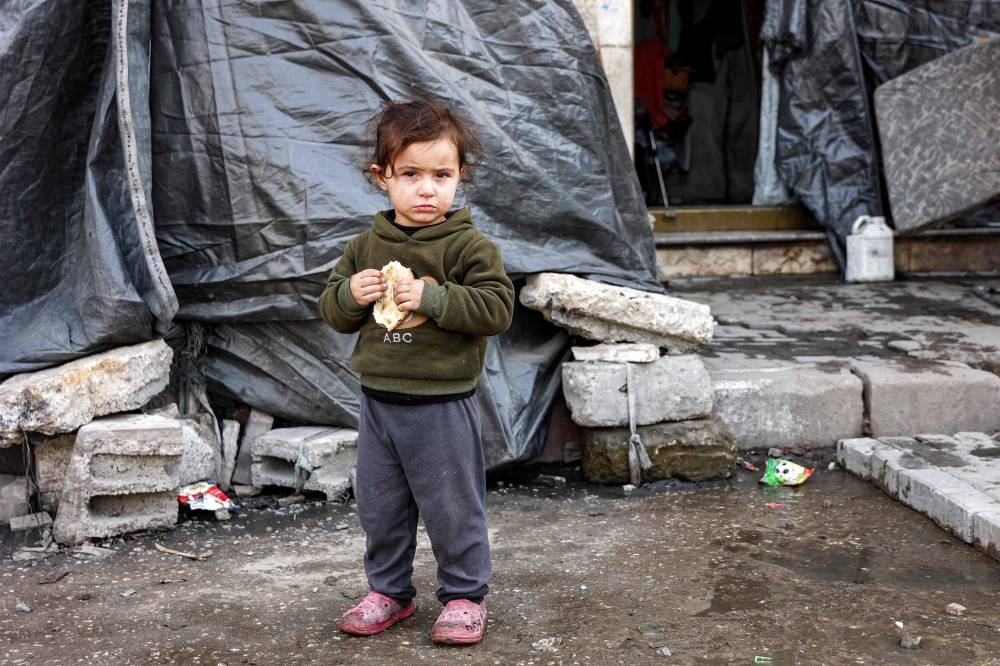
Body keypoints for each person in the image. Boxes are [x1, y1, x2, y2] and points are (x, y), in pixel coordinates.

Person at [317, 99, 514, 645]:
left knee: (453, 508)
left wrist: (434, 297)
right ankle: (389, 592)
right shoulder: (366, 246)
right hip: (379, 401)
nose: (427, 189)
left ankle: (464, 597)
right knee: (380, 509)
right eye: (410, 174)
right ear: (382, 178)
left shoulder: (469, 245)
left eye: (442, 175)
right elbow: (332, 311)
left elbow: (497, 309)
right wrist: (350, 294)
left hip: (441, 404)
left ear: (460, 178)